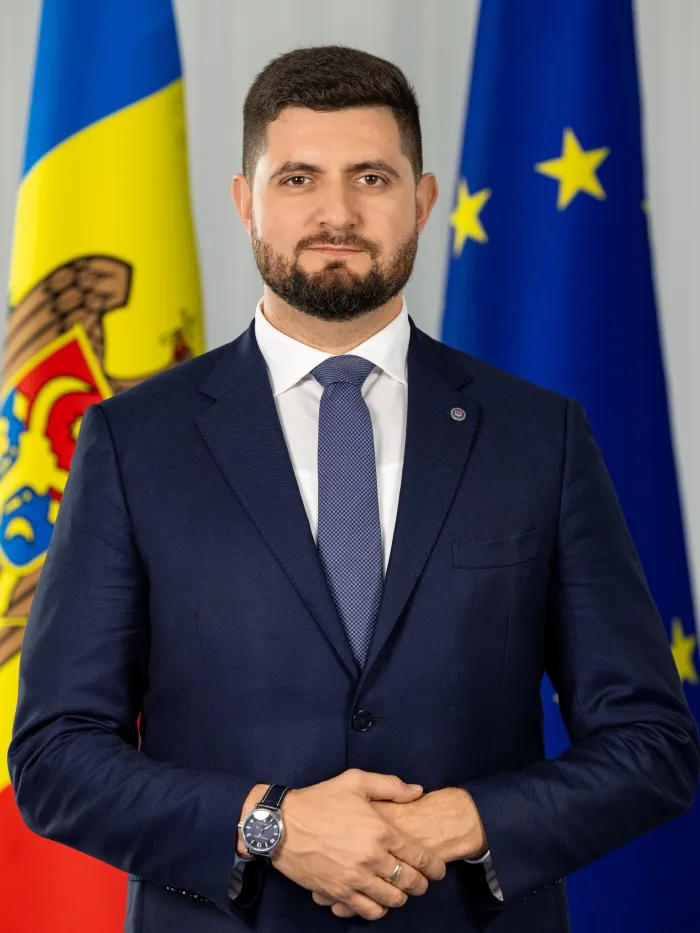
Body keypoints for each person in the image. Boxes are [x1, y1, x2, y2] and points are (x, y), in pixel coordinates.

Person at [8, 44, 699, 933]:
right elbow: (54, 756)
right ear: (245, 200)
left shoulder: (540, 437)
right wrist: (269, 823)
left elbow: (653, 742)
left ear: (423, 199)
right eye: (298, 178)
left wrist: (471, 820)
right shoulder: (132, 442)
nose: (336, 213)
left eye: (371, 177)